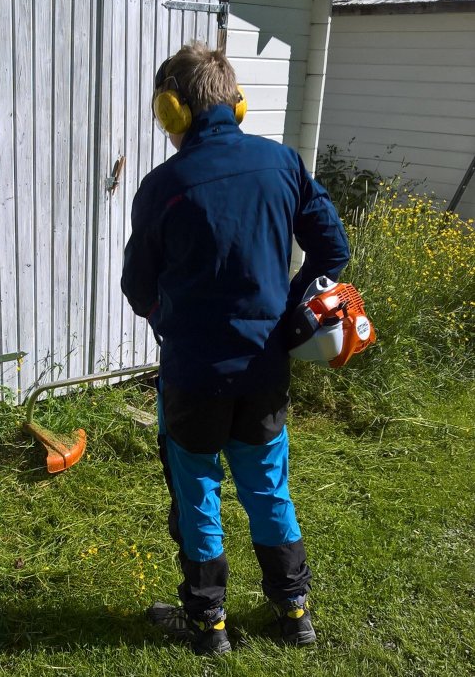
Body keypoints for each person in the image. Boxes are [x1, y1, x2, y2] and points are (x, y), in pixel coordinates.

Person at [121, 41, 350, 655]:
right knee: (268, 488)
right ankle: (295, 613)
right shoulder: (282, 163)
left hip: (193, 375)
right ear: (236, 105)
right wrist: (292, 307)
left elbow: (136, 286)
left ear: (173, 111)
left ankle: (209, 625)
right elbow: (333, 251)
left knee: (198, 493)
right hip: (265, 370)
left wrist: (164, 315)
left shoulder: (162, 186)